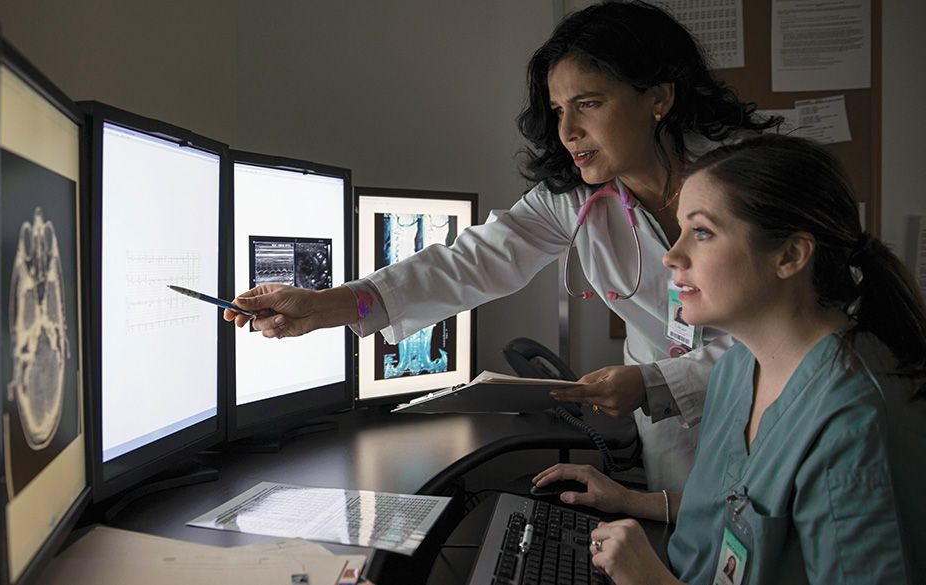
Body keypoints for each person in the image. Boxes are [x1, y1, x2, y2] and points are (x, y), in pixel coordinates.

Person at [226, 1, 778, 491]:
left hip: (773, 404)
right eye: (558, 110)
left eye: (588, 103)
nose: (568, 131)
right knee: (690, 547)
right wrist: (326, 305)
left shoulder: (758, 179)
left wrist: (654, 382)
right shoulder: (576, 199)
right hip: (671, 428)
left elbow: (792, 333)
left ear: (658, 97)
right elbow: (467, 264)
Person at [531, 134, 926, 584]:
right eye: (681, 231)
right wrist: (630, 501)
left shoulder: (854, 418)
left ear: (790, 255)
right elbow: (741, 510)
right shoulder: (739, 368)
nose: (672, 256)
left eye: (702, 232)